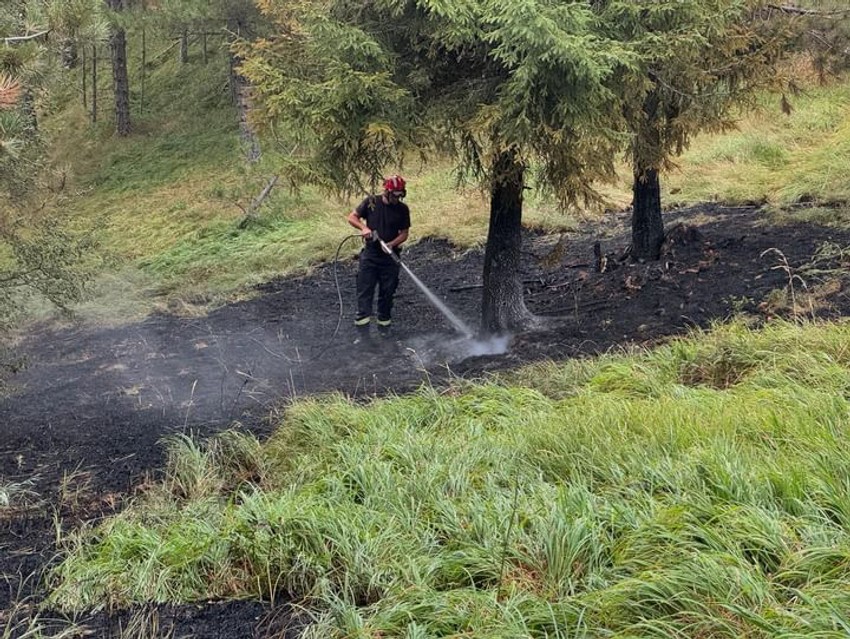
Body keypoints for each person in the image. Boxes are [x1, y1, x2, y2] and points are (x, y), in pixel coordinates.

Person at [346, 175, 411, 343]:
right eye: (394, 195)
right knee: (365, 293)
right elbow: (352, 217)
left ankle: (384, 330)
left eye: (400, 195)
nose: (397, 198)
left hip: (390, 258)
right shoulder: (371, 202)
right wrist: (364, 228)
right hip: (370, 257)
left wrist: (391, 244)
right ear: (386, 191)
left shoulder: (403, 210)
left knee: (387, 294)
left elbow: (404, 233)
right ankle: (363, 335)